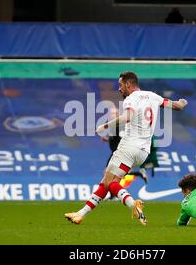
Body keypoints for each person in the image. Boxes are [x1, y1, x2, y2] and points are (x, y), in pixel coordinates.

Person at [64, 71, 188, 225]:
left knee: (109, 183)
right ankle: (80, 214)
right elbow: (176, 106)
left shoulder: (131, 99)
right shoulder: (153, 96)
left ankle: (132, 204)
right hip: (143, 152)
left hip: (128, 147)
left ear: (128, 84)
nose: (119, 89)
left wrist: (105, 126)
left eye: (120, 85)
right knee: (108, 181)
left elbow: (127, 117)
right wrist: (182, 102)